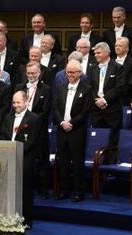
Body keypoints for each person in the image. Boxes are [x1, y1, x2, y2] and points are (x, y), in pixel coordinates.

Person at [53, 60, 92, 202]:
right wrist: (62, 122)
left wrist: (71, 123)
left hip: (77, 130)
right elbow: (55, 108)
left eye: (72, 72)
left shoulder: (86, 89)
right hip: (62, 129)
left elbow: (86, 111)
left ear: (79, 73)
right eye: (67, 72)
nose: (69, 74)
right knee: (62, 162)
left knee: (77, 162)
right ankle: (65, 190)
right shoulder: (60, 87)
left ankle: (79, 191)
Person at [2, 91, 42, 228]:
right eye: (14, 102)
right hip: (8, 159)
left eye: (18, 102)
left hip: (25, 159)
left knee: (25, 191)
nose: (15, 105)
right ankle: (8, 217)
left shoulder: (34, 119)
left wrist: (16, 151)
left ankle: (26, 220)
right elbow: (4, 137)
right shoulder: (7, 118)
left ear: (26, 102)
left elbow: (32, 141)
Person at [14, 62, 51, 199]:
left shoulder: (46, 89)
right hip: (21, 130)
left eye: (34, 73)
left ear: (39, 73)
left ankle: (43, 190)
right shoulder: (19, 87)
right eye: (28, 73)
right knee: (23, 160)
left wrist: (30, 120)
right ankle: (21, 188)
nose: (31, 75)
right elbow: (15, 106)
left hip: (39, 130)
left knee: (42, 160)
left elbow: (45, 111)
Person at [87, 42, 125, 146]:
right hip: (96, 110)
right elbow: (90, 87)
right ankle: (97, 162)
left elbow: (119, 88)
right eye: (95, 53)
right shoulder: (92, 68)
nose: (95, 55)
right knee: (97, 140)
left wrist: (104, 100)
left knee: (113, 141)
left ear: (107, 53)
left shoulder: (118, 67)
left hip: (112, 110)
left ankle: (110, 162)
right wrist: (97, 100)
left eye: (98, 53)